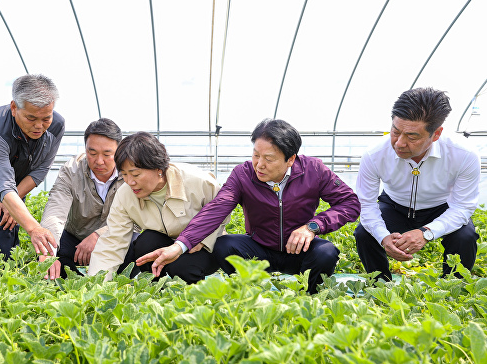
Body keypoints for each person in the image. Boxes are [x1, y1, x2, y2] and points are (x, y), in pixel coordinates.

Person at [138, 119, 361, 294]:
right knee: (225, 245)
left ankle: (312, 297)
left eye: (269, 159)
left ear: (291, 159)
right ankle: (252, 293)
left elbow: (349, 203)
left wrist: (313, 226)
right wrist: (181, 245)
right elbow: (217, 209)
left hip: (298, 250)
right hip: (260, 249)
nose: (259, 165)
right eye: (256, 155)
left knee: (326, 252)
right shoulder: (243, 174)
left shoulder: (314, 170)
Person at [353, 87, 481, 282]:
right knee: (365, 232)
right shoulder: (374, 154)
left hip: (440, 207)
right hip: (395, 206)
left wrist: (426, 233)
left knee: (465, 236)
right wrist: (383, 237)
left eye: (412, 137)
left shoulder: (464, 155)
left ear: (436, 134)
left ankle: (452, 289)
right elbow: (367, 204)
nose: (399, 143)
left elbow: (462, 206)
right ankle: (380, 286)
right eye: (395, 132)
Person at [87, 131, 227, 283]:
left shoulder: (198, 181)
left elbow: (222, 212)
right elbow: (113, 242)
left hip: (201, 247)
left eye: (135, 174)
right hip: (165, 244)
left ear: (158, 169)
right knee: (146, 242)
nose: (129, 182)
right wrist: (96, 284)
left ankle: (194, 295)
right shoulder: (125, 195)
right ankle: (155, 287)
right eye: (124, 174)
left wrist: (200, 240)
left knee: (180, 267)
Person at [0, 74, 65, 259]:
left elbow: (41, 169)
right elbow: (3, 183)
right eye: (31, 118)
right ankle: (0, 273)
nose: (39, 126)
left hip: (21, 170)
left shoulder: (57, 125)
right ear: (14, 108)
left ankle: (13, 266)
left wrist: (14, 203)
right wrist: (34, 228)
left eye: (46, 119)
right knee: (3, 217)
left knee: (15, 215)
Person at [39, 118, 134, 279]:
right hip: (76, 240)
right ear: (85, 149)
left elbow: (136, 220)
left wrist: (99, 236)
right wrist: (49, 251)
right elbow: (55, 211)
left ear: (118, 151)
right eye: (92, 153)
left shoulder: (131, 172)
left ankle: (111, 278)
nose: (99, 161)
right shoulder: (71, 171)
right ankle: (76, 278)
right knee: (52, 251)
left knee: (138, 244)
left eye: (107, 154)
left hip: (116, 238)